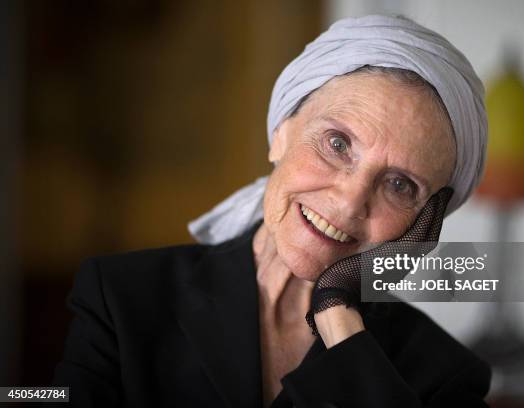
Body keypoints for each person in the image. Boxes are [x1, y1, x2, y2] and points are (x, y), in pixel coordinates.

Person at [53, 14, 490, 407]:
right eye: (337, 144)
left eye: (400, 185)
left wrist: (337, 312)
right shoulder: (121, 299)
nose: (349, 201)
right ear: (280, 131)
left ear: (425, 222)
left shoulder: (445, 375)